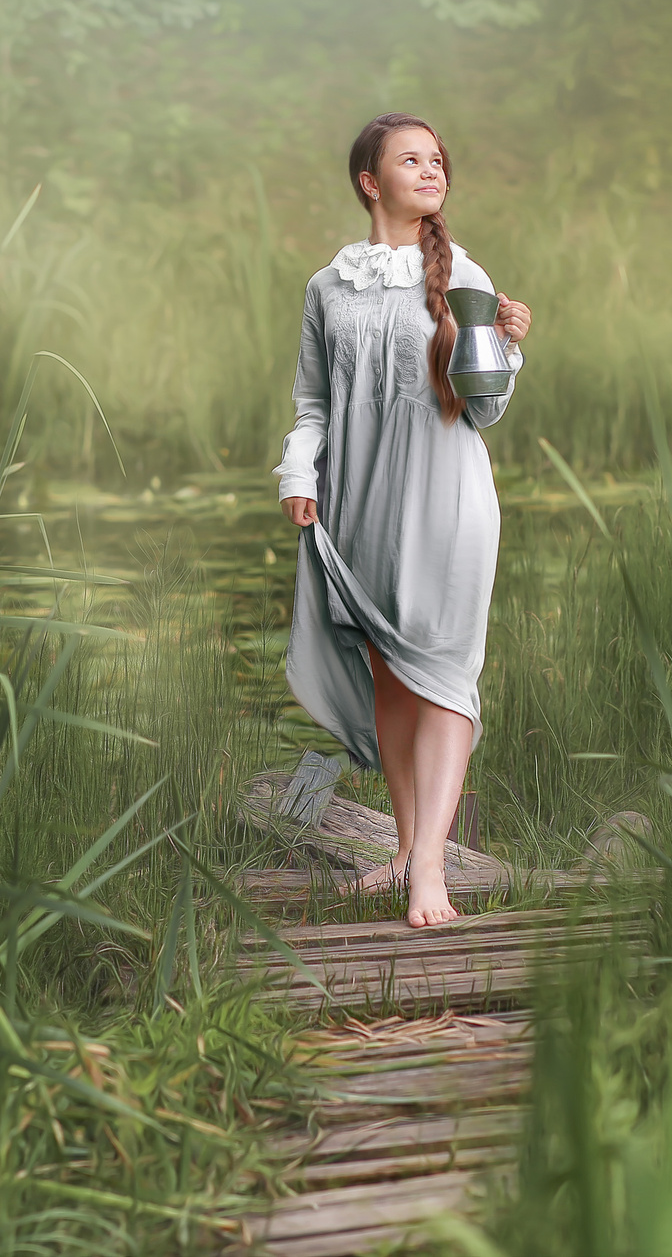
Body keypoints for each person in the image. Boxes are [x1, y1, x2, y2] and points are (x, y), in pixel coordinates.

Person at [275, 114, 532, 928]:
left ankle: (429, 870)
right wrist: (296, 471)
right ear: (368, 179)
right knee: (389, 669)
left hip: (447, 496)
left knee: (447, 671)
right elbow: (313, 401)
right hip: (360, 501)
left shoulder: (464, 270)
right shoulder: (328, 286)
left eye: (438, 160)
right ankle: (401, 850)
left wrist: (506, 344)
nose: (431, 170)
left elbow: (483, 409)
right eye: (410, 159)